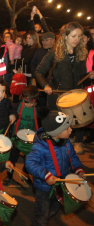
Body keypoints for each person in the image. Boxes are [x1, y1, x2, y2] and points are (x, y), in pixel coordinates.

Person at [35, 22, 94, 154]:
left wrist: (89, 77)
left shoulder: (81, 53)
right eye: (73, 36)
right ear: (65, 36)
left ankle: (72, 149)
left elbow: (81, 77)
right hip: (58, 98)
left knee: (75, 125)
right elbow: (38, 72)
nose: (77, 39)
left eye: (79, 36)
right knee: (58, 132)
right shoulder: (54, 53)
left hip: (75, 97)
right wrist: (45, 85)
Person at [25, 110, 85, 226]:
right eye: (67, 128)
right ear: (56, 133)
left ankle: (44, 221)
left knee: (54, 208)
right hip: (44, 187)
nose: (71, 130)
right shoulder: (40, 146)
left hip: (61, 183)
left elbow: (72, 157)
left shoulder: (66, 142)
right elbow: (30, 163)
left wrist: (78, 169)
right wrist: (45, 175)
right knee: (42, 213)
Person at [3, 85, 40, 186]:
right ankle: (9, 175)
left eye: (32, 103)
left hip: (30, 139)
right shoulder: (15, 107)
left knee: (29, 159)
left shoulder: (38, 110)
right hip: (16, 138)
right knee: (12, 158)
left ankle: (25, 174)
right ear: (22, 98)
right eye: (26, 102)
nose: (28, 105)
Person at [31, 32, 56, 107]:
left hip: (53, 85)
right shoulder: (39, 51)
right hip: (41, 83)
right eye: (42, 40)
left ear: (53, 40)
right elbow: (33, 64)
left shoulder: (57, 52)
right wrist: (36, 76)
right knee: (41, 104)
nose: (44, 42)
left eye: (46, 40)